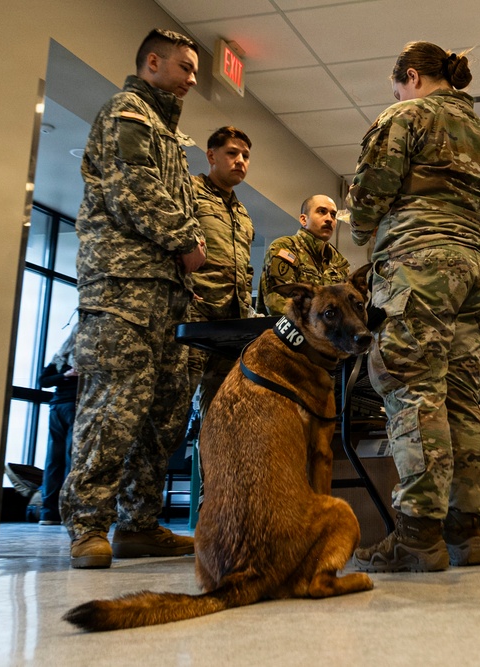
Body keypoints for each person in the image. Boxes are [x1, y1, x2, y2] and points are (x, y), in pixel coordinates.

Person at [347, 41, 480, 572]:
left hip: (420, 266)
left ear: (411, 77)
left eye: (397, 87)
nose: (395, 95)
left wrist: (366, 231)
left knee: (413, 388)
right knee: (460, 397)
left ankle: (417, 536)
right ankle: (465, 531)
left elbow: (369, 194)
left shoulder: (406, 115)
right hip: (478, 273)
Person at [60, 28, 205, 569]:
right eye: (185, 68)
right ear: (152, 62)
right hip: (121, 290)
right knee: (112, 409)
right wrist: (187, 237)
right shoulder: (128, 113)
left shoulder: (168, 133)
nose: (191, 79)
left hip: (166, 294)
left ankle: (137, 524)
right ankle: (87, 525)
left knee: (164, 413)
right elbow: (132, 190)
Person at [186, 125, 256, 417]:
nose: (240, 160)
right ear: (211, 155)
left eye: (246, 155)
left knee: (222, 415)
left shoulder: (242, 214)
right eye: (232, 153)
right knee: (176, 405)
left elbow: (245, 268)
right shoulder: (190, 190)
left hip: (231, 325)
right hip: (196, 316)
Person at [257, 194, 350, 317]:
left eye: (333, 215)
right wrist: (319, 323)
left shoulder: (338, 261)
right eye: (322, 212)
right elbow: (278, 303)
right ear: (303, 220)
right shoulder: (285, 248)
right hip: (288, 332)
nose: (329, 219)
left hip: (329, 333)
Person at [36, 326, 79, 525]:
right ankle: (67, 510)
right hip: (74, 406)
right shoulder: (88, 355)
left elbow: (43, 380)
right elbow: (43, 381)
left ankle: (49, 512)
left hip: (56, 407)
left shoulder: (61, 354)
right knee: (71, 459)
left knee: (53, 460)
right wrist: (69, 375)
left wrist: (62, 376)